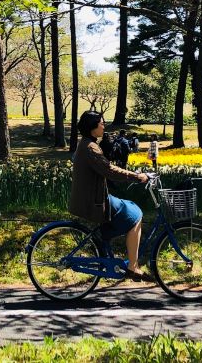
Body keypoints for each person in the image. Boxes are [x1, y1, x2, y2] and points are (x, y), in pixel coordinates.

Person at [69, 110, 151, 282]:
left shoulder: (86, 144)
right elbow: (109, 170)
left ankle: (107, 235)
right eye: (101, 122)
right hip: (94, 202)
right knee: (135, 215)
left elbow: (105, 168)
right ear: (93, 127)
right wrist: (137, 177)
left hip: (90, 197)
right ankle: (133, 267)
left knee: (130, 206)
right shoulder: (90, 148)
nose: (103, 125)